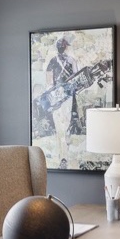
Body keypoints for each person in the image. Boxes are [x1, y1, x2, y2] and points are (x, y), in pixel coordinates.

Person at [45, 33, 81, 167]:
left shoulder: (52, 61)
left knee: (58, 123)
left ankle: (63, 154)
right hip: (67, 95)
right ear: (66, 48)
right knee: (66, 122)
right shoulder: (72, 61)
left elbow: (48, 82)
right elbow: (76, 79)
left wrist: (53, 92)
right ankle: (64, 152)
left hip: (55, 96)